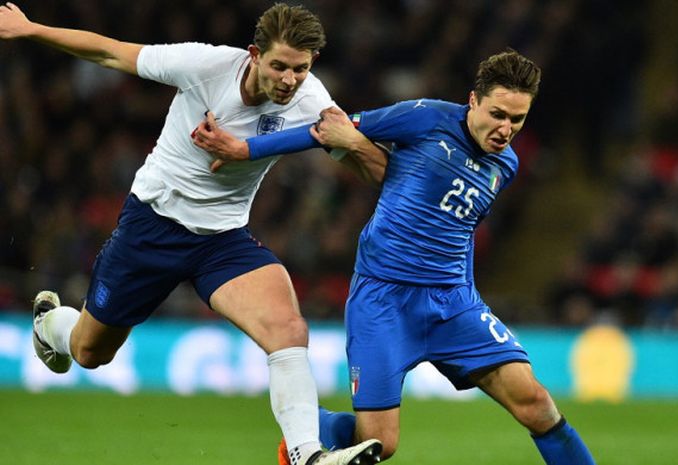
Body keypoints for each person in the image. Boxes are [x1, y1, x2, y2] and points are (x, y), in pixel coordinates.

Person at [0, 3, 384, 465]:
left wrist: (355, 142)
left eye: (300, 69)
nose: (288, 79)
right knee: (88, 351)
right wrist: (30, 28)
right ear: (254, 55)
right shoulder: (205, 66)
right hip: (152, 226)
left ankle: (307, 454)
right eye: (279, 65)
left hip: (223, 240)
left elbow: (374, 169)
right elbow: (111, 53)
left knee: (287, 329)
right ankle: (49, 325)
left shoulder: (313, 103)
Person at [212, 49, 597, 464]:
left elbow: (462, 230)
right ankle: (304, 431)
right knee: (381, 444)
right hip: (384, 301)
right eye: (498, 114)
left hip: (453, 303)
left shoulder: (506, 164)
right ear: (473, 100)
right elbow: (331, 128)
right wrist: (244, 149)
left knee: (536, 403)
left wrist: (465, 292)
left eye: (517, 120)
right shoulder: (425, 117)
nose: (505, 129)